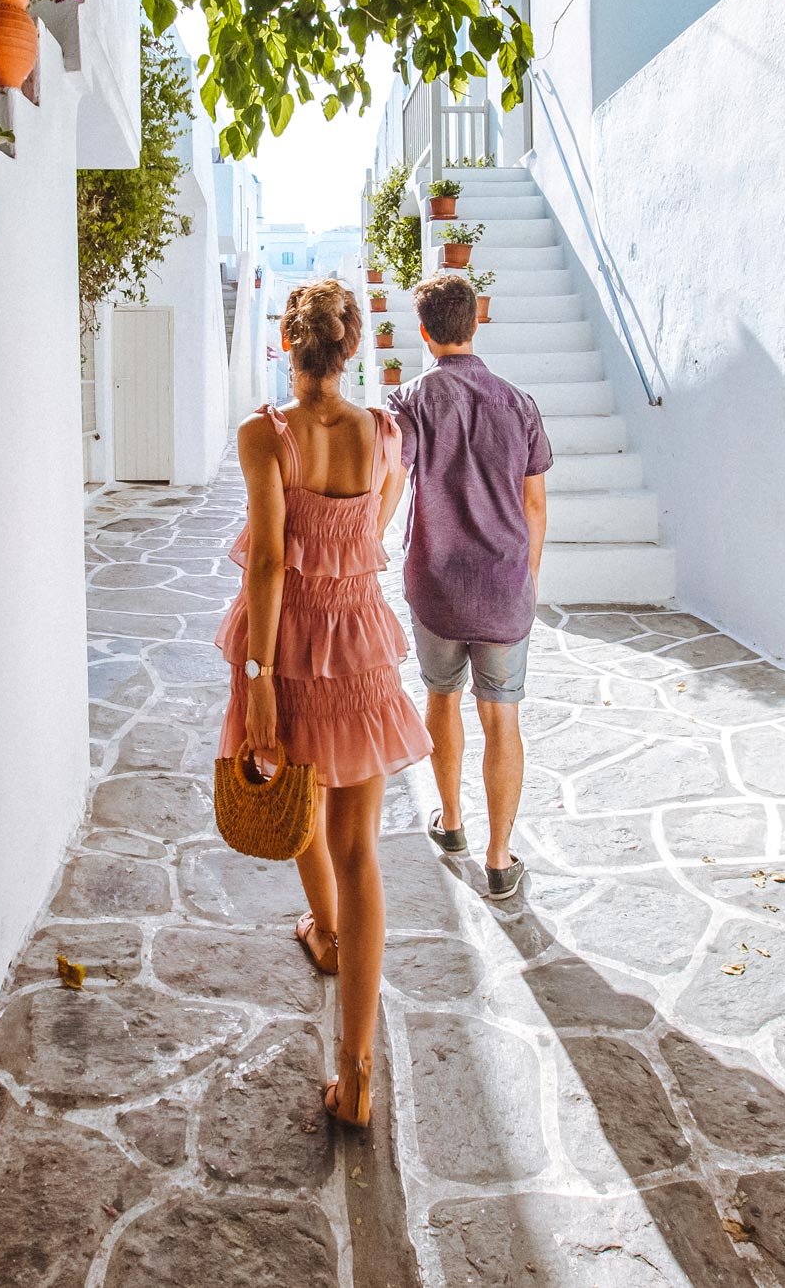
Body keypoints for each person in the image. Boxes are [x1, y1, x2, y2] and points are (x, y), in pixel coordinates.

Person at [217, 278, 431, 1129]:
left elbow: (271, 562)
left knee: (293, 798)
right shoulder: (385, 434)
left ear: (287, 346)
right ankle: (357, 1070)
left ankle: (330, 935)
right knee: (359, 850)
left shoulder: (266, 437)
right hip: (364, 648)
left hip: (296, 649)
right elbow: (372, 533)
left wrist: (260, 678)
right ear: (347, 351)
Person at [388, 270, 551, 901]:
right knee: (502, 717)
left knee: (441, 698)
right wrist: (527, 577)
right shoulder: (519, 403)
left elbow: (395, 477)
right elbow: (535, 505)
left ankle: (451, 823)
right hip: (504, 585)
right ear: (475, 321)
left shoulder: (410, 402)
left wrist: (371, 536)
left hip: (436, 585)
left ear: (425, 332)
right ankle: (500, 856)